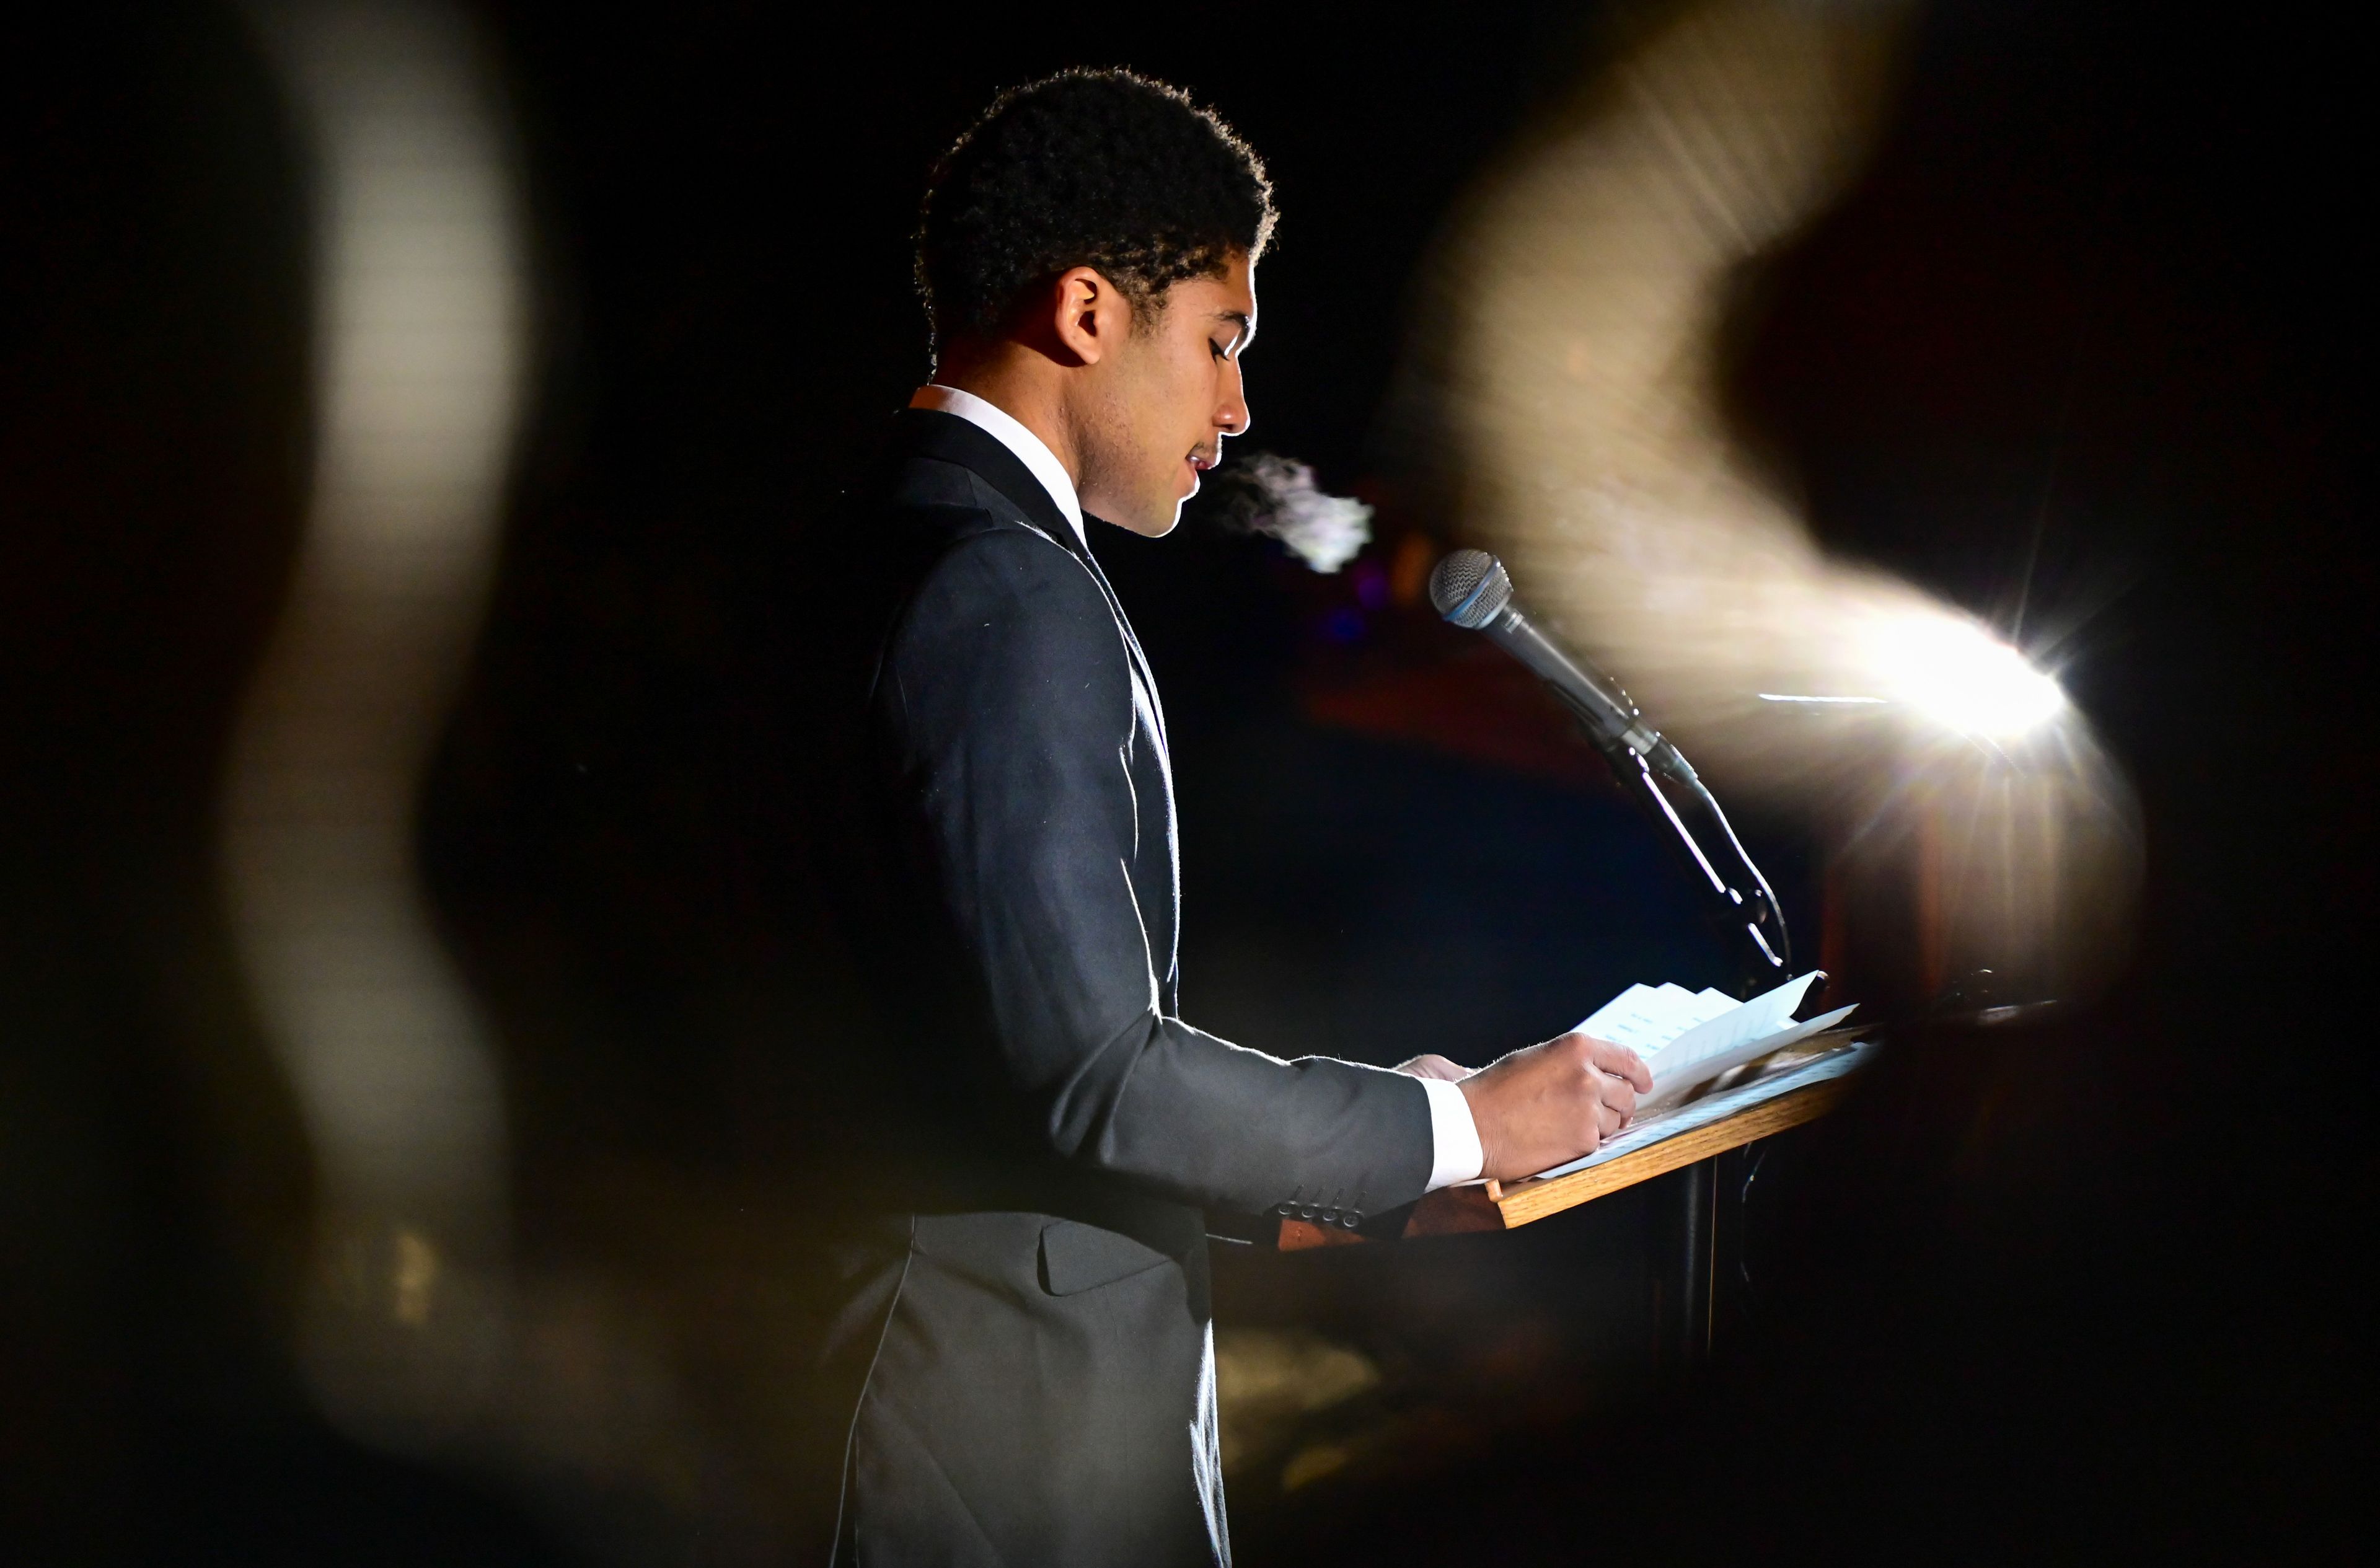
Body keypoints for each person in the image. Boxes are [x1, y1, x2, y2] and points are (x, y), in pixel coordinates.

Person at [801, 68, 1651, 1566]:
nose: (1239, 403)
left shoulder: (911, 543)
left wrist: (1374, 1181)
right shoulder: (1001, 585)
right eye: (1219, 337)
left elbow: (996, 1060)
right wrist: (1456, 1122)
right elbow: (1090, 1069)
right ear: (1086, 314)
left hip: (979, 1401)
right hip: (1003, 1441)